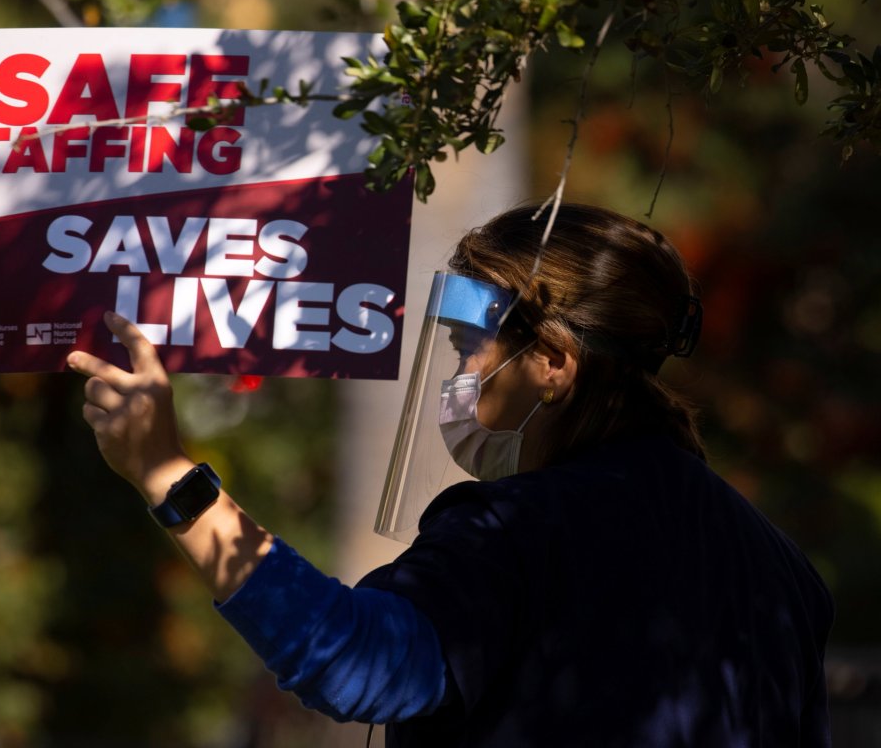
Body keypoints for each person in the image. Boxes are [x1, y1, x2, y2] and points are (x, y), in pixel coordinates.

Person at [68, 203, 834, 746]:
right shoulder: (780, 565)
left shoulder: (516, 528)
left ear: (554, 364)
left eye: (472, 345)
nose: (460, 372)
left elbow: (354, 663)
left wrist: (168, 472)